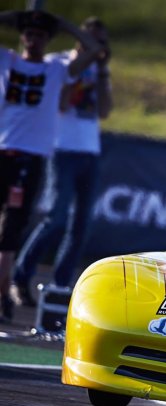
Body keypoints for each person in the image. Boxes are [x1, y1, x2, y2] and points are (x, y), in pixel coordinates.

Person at [0, 10, 101, 322]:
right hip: (3, 151)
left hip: (32, 158)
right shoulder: (8, 61)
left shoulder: (57, 68)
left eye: (41, 34)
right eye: (29, 33)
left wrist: (64, 23)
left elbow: (94, 51)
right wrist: (14, 16)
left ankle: (4, 294)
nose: (34, 39)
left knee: (11, 231)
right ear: (21, 35)